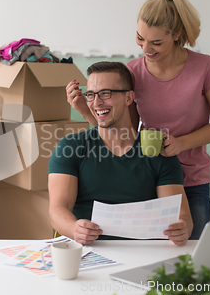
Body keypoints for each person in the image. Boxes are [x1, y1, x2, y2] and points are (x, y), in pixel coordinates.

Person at [66, 0, 210, 240]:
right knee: (149, 256)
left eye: (156, 42)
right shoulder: (132, 72)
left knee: (191, 258)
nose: (146, 48)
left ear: (177, 35)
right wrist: (84, 110)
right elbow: (124, 131)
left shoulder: (205, 67)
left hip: (192, 177)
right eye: (140, 38)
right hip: (149, 177)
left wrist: (180, 144)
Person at [48, 62, 193, 246]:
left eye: (106, 93)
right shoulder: (70, 147)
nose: (96, 102)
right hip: (88, 253)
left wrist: (183, 228)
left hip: (142, 253)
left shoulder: (158, 151)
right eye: (91, 95)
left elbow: (180, 215)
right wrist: (75, 229)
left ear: (128, 97)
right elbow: (57, 210)